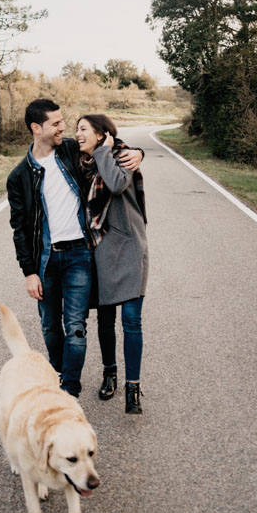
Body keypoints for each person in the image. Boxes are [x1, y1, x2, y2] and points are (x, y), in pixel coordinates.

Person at [6, 99, 142, 399]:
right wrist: (29, 272)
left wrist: (136, 152)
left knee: (76, 328)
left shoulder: (69, 151)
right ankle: (58, 373)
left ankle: (69, 391)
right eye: (56, 123)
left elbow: (105, 141)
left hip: (80, 254)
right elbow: (20, 230)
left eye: (63, 122)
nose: (64, 128)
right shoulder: (19, 177)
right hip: (46, 260)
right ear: (36, 128)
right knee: (51, 328)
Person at [75, 114, 148, 415]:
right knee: (105, 320)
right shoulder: (82, 162)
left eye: (83, 129)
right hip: (100, 248)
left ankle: (133, 387)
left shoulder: (122, 158)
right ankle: (110, 373)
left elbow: (116, 185)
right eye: (76, 129)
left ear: (101, 134)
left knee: (131, 320)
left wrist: (115, 150)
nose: (77, 134)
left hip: (130, 248)